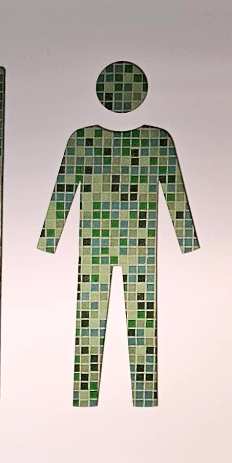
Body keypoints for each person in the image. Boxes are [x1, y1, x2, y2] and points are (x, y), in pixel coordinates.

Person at [38, 60, 198, 407]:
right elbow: (64, 190)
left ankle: (139, 401)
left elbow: (174, 191)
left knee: (136, 324)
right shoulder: (85, 140)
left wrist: (187, 240)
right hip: (102, 243)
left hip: (130, 243)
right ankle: (87, 399)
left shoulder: (155, 140)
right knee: (93, 324)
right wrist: (48, 239)